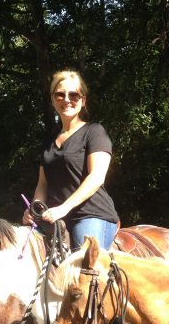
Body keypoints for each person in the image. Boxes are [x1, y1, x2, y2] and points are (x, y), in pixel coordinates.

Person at [22, 69, 119, 250]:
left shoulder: (94, 132)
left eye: (73, 95)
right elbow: (42, 184)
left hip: (90, 215)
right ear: (53, 100)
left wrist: (64, 208)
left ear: (83, 101)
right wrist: (34, 210)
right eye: (60, 95)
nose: (66, 99)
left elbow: (97, 177)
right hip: (54, 218)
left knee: (85, 272)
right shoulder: (49, 141)